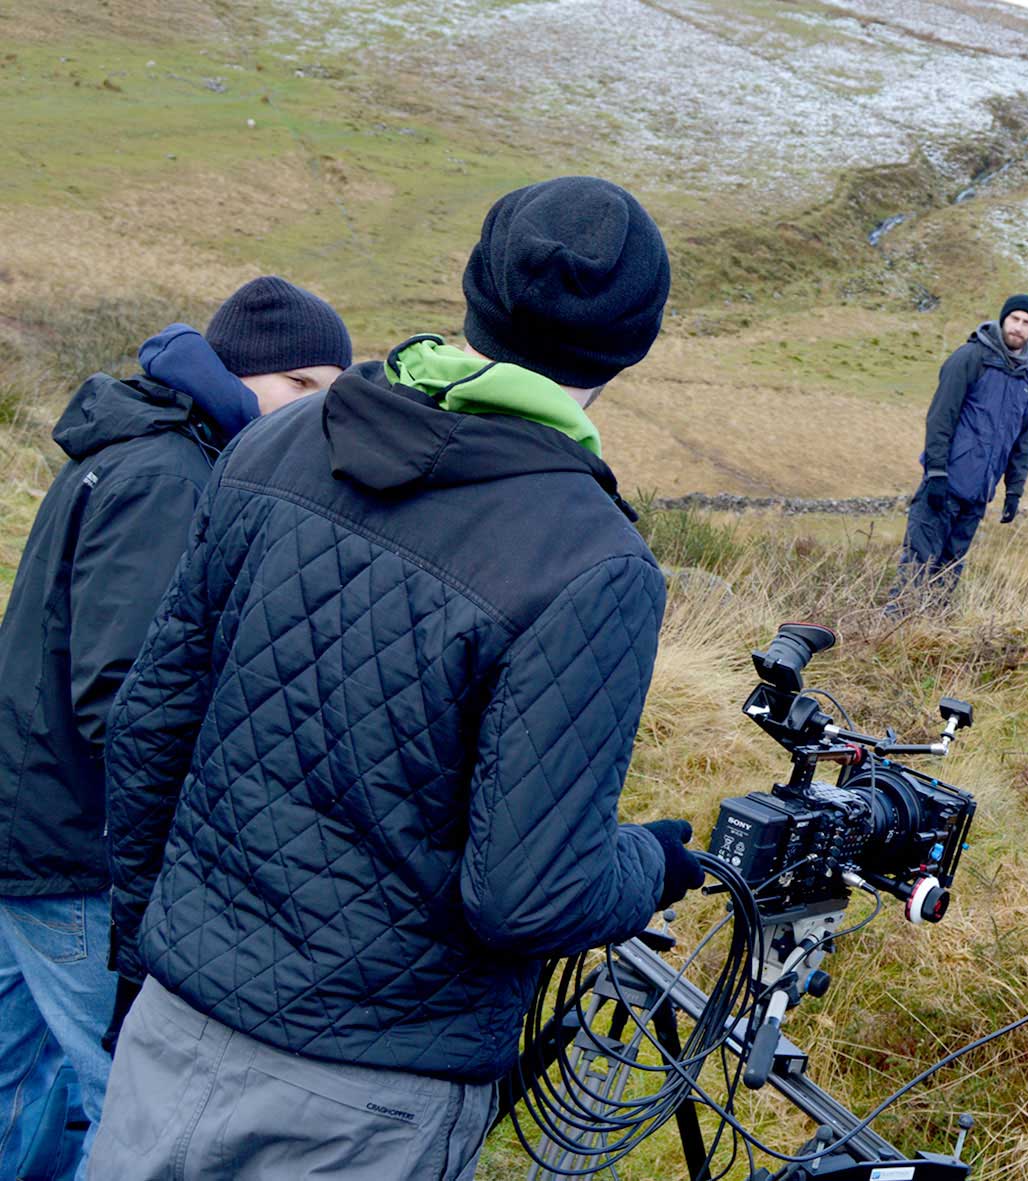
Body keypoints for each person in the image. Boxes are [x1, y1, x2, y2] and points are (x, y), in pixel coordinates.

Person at [93, 176, 704, 1181]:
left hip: (177, 1020)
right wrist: (650, 866)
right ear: (632, 343)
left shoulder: (277, 440)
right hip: (368, 1094)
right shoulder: (593, 561)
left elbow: (151, 724)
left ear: (475, 290)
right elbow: (527, 894)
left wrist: (148, 954)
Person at [0, 277, 350, 1180]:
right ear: (247, 370)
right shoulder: (170, 475)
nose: (316, 411)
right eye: (304, 385)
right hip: (76, 853)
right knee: (124, 1101)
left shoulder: (143, 442)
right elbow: (121, 698)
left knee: (20, 1083)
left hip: (31, 825)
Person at [895, 294, 1028, 601]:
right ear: (1003, 320)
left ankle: (932, 629)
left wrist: (1014, 491)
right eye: (1014, 319)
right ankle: (893, 626)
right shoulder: (971, 358)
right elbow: (941, 417)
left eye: (1026, 323)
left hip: (978, 495)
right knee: (916, 570)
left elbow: (1024, 437)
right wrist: (936, 472)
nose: (1018, 327)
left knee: (948, 577)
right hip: (945, 484)